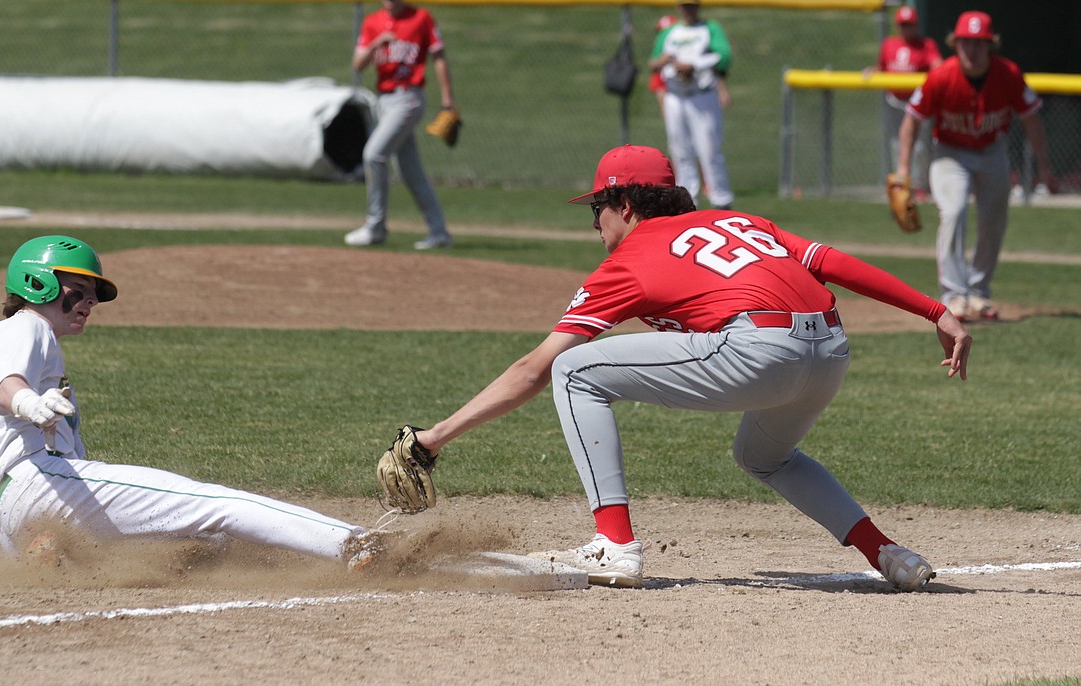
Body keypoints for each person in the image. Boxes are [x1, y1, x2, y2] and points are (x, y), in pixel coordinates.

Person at [394, 144, 971, 590]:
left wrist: (433, 439)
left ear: (624, 205)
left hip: (760, 349)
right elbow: (831, 262)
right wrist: (935, 311)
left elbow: (534, 368)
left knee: (574, 370)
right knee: (764, 457)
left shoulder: (631, 259)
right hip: (830, 352)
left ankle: (614, 545)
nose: (595, 225)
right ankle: (886, 553)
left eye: (598, 210)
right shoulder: (739, 221)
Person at [0, 234, 386, 569]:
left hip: (12, 521)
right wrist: (30, 405)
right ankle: (356, 546)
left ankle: (52, 549)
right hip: (45, 486)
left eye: (93, 296)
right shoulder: (25, 327)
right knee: (214, 504)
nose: (88, 302)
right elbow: (10, 387)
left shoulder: (22, 362)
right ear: (39, 283)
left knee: (203, 545)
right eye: (78, 290)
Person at [895, 11, 1054, 322]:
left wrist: (1045, 168)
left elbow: (1032, 120)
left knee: (994, 221)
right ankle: (954, 296)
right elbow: (911, 120)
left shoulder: (1007, 73)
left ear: (990, 45)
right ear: (955, 44)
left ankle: (979, 293)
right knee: (953, 211)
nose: (971, 49)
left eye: (979, 43)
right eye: (965, 42)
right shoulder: (942, 76)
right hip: (950, 153)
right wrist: (903, 169)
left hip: (992, 150)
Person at [344, 0, 455, 250]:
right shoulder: (372, 23)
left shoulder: (421, 18)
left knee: (374, 155)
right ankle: (439, 231)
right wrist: (376, 43)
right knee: (411, 172)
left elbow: (439, 57)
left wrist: (447, 101)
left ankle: (375, 227)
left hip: (409, 98)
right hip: (384, 100)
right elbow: (358, 64)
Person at [648, 0, 734, 209]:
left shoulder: (709, 29)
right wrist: (666, 61)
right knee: (680, 150)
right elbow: (653, 62)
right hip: (675, 96)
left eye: (692, 5)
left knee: (709, 150)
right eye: (685, 5)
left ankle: (721, 201)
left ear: (698, 6)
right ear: (679, 7)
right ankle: (688, 203)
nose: (689, 9)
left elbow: (723, 57)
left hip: (701, 95)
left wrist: (694, 65)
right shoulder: (670, 33)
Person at [867, 5, 943, 200]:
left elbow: (938, 66)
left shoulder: (926, 45)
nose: (905, 28)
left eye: (909, 25)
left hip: (917, 103)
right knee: (896, 145)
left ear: (916, 25)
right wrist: (872, 71)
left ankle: (920, 185)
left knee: (919, 147)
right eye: (902, 24)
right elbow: (881, 66)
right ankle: (900, 185)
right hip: (894, 102)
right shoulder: (889, 44)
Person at [647, 14, 677, 113]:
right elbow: (652, 65)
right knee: (669, 115)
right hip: (662, 79)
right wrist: (663, 60)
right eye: (661, 31)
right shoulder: (659, 43)